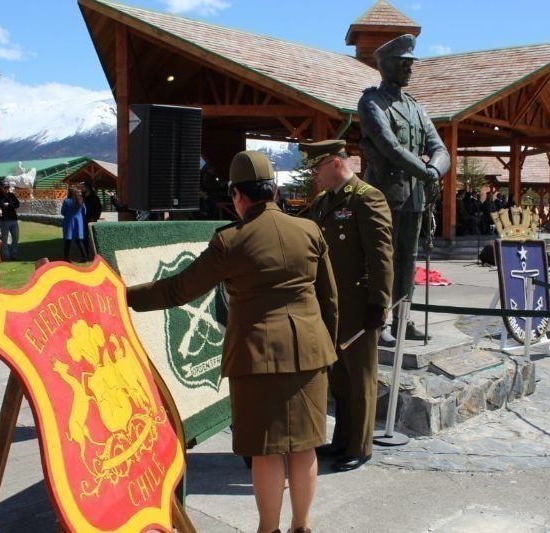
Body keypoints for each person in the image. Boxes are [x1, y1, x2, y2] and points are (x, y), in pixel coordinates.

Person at [127, 150, 338, 533]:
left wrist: (123, 294)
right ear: (273, 190)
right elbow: (330, 301)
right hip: (310, 351)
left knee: (266, 449)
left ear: (238, 196)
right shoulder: (309, 231)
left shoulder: (230, 240)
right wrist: (326, 346)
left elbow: (178, 290)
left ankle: (268, 529)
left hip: (257, 357)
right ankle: (302, 526)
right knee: (305, 445)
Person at [302, 139, 393, 472]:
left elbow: (381, 256)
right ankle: (341, 440)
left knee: (361, 378)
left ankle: (360, 446)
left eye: (317, 168)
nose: (314, 176)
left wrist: (379, 303)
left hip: (357, 305)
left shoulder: (367, 198)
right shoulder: (325, 202)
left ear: (335, 163)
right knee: (339, 378)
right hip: (328, 305)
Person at [358, 33, 450, 344]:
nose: (410, 68)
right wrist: (426, 172)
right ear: (386, 65)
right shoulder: (371, 102)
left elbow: (441, 148)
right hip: (384, 194)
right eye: (404, 63)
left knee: (407, 259)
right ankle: (380, 320)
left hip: (414, 196)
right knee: (382, 259)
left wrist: (435, 170)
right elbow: (390, 146)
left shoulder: (416, 108)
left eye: (411, 63)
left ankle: (403, 320)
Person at [61, 186, 88, 262]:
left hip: (69, 222)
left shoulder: (67, 201)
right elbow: (84, 212)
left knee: (67, 240)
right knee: (79, 240)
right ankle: (84, 257)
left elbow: (63, 212)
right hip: (78, 222)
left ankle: (66, 258)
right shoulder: (81, 201)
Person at [0, 183, 20, 260]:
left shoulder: (11, 195)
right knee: (4, 239)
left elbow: (17, 204)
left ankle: (14, 255)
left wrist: (8, 205)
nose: (7, 189)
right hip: (4, 220)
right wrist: (10, 206)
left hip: (13, 219)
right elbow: (1, 206)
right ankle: (6, 256)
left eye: (8, 187)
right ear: (1, 188)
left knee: (15, 238)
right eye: (5, 187)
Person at [81, 180, 103, 254]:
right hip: (83, 219)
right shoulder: (82, 197)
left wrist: (95, 217)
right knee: (84, 236)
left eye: (83, 187)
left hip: (92, 219)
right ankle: (86, 253)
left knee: (93, 236)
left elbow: (99, 208)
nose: (82, 188)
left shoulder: (94, 197)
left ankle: (96, 252)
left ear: (87, 188)